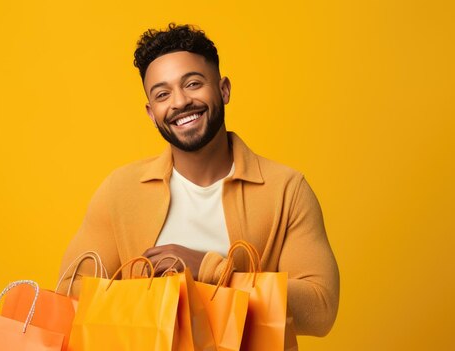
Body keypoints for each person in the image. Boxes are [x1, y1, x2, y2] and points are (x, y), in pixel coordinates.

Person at [59, 23, 340, 343]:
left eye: (192, 83)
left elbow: (321, 308)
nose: (179, 102)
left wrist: (206, 269)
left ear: (223, 90)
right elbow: (71, 292)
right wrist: (159, 292)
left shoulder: (286, 189)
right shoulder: (121, 190)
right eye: (163, 94)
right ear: (152, 113)